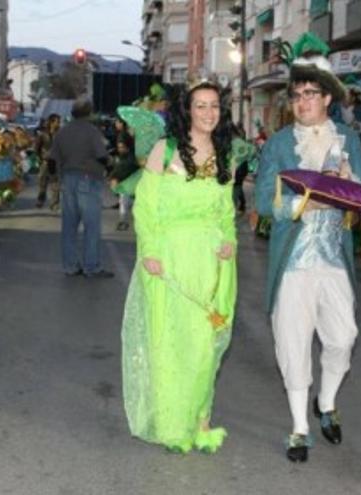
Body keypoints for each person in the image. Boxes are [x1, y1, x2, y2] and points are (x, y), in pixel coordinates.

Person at [255, 33, 361, 464]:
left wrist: (350, 184)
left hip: (334, 256)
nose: (302, 102)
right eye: (297, 95)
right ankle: (299, 427)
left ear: (328, 99)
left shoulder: (349, 141)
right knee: (293, 343)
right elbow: (264, 199)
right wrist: (304, 203)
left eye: (310, 94)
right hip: (293, 261)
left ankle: (327, 402)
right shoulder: (280, 144)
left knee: (343, 338)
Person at [121, 76, 237, 454]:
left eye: (214, 106)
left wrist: (229, 243)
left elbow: (226, 211)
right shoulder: (165, 150)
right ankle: (173, 423)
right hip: (168, 261)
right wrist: (150, 250)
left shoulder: (226, 154)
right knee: (171, 341)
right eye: (200, 105)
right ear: (187, 111)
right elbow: (146, 204)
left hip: (209, 263)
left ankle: (200, 421)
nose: (208, 112)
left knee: (205, 344)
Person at [48, 100, 112, 277]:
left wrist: (54, 180)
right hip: (88, 179)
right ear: (89, 113)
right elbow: (101, 155)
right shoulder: (92, 131)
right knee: (91, 226)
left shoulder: (62, 132)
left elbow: (52, 159)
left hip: (68, 179)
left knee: (69, 226)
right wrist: (110, 163)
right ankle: (91, 266)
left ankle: (70, 266)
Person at [108, 135, 139, 231]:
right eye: (119, 147)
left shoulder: (132, 158)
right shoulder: (124, 156)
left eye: (122, 147)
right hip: (127, 186)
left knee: (129, 204)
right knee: (124, 203)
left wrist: (114, 177)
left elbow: (123, 168)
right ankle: (123, 222)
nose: (120, 149)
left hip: (134, 184)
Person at [35, 113, 61, 209]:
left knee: (56, 184)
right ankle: (40, 200)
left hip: (56, 162)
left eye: (59, 122)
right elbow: (37, 148)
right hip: (45, 162)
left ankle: (54, 203)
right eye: (57, 122)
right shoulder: (43, 134)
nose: (58, 124)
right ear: (51, 122)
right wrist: (40, 158)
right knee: (42, 183)